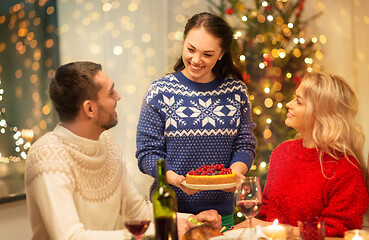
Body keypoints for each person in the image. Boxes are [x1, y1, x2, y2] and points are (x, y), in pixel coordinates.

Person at [25, 61, 222, 240]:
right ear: (90, 109)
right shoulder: (47, 155)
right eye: (111, 92)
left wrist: (191, 220)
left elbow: (138, 211)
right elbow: (71, 237)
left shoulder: (107, 143)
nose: (118, 96)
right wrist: (162, 230)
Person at [136, 12, 257, 229]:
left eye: (207, 54)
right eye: (190, 49)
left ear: (221, 54)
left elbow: (245, 143)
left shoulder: (236, 91)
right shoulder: (160, 91)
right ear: (183, 43)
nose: (196, 60)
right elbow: (147, 153)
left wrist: (235, 174)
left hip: (222, 216)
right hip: (171, 215)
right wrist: (177, 181)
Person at [233, 72, 369, 237]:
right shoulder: (282, 152)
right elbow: (265, 211)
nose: (289, 104)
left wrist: (282, 230)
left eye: (299, 101)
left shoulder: (346, 170)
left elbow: (338, 231)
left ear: (321, 113)